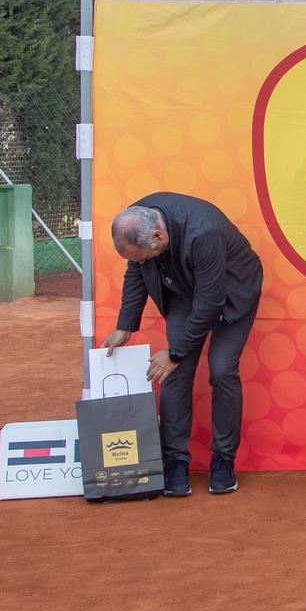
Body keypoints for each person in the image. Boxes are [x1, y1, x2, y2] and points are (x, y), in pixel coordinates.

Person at [102, 195, 265, 497]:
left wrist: (175, 353)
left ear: (158, 236)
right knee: (174, 374)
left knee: (221, 370)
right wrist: (126, 323)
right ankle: (175, 461)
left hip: (230, 291)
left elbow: (210, 302)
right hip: (182, 290)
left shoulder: (205, 232)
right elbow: (136, 270)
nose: (139, 262)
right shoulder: (137, 218)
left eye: (143, 256)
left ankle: (223, 461)